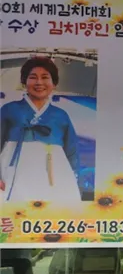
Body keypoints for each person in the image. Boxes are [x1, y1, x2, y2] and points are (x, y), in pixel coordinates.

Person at [0, 56, 81, 202]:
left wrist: (73, 176)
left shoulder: (61, 115)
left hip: (53, 169)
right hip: (13, 168)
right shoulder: (9, 109)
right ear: (24, 81)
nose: (39, 82)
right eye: (33, 77)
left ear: (53, 83)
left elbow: (72, 150)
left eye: (45, 77)